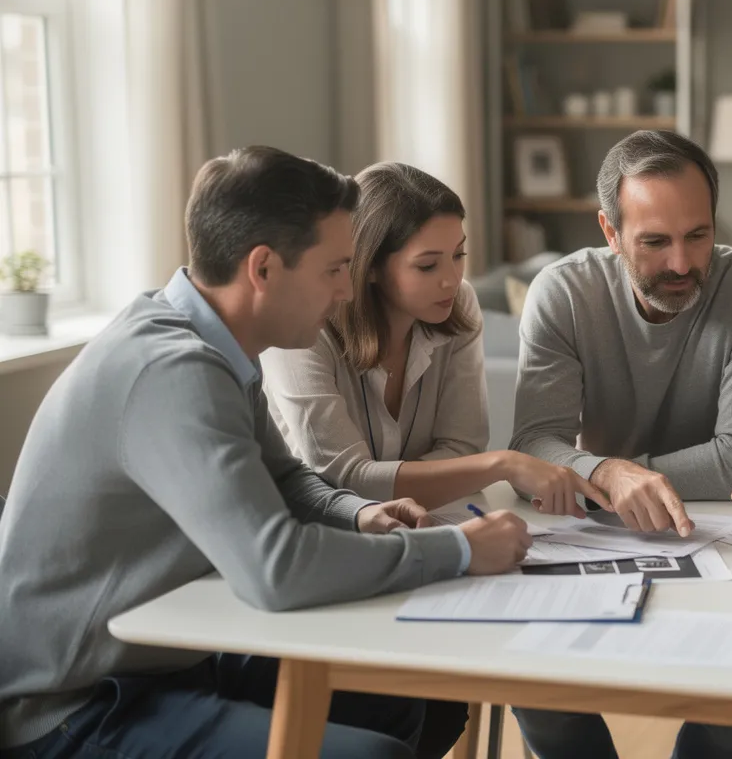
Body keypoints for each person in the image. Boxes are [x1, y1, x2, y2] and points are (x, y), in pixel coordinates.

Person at [0, 146, 531, 759]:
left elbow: (288, 480)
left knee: (401, 692)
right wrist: (459, 548)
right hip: (78, 707)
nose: (344, 291)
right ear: (264, 269)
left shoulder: (214, 344)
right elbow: (274, 569)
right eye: (334, 269)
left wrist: (356, 513)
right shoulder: (171, 371)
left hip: (169, 662)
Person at [509, 130, 732, 758]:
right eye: (655, 241)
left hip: (725, 533)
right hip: (598, 535)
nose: (683, 264)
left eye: (699, 235)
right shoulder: (563, 292)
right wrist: (607, 475)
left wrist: (598, 474)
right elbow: (534, 443)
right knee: (538, 690)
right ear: (610, 232)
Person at [262, 161, 606, 513]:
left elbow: (463, 447)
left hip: (427, 521)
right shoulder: (304, 328)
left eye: (458, 255)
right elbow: (342, 479)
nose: (452, 279)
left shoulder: (460, 304)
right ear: (371, 266)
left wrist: (390, 480)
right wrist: (502, 464)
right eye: (427, 265)